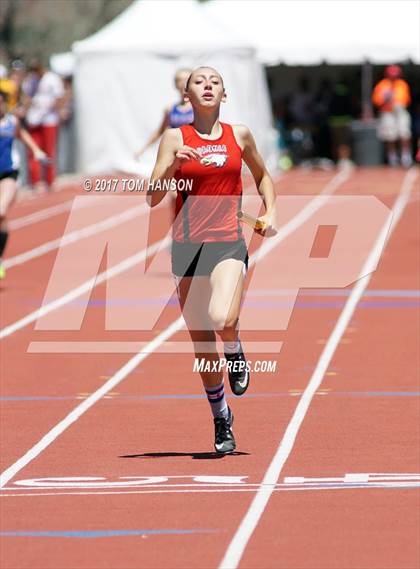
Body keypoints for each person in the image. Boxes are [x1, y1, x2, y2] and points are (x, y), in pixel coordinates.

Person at [147, 67, 276, 454]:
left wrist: (270, 211)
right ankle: (221, 418)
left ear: (225, 94)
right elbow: (152, 196)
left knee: (223, 318)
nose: (207, 85)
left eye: (214, 81)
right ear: (187, 96)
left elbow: (264, 176)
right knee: (202, 342)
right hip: (187, 247)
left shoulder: (240, 135)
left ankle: (235, 351)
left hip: (226, 242)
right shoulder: (174, 137)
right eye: (199, 82)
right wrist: (171, 166)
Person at [0, 91, 47, 279]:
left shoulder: (12, 122)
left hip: (8, 174)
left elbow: (23, 135)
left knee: (1, 211)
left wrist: (37, 151)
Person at [22, 59, 64, 190]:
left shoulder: (52, 79)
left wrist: (54, 109)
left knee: (48, 150)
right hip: (34, 120)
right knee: (34, 150)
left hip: (49, 120)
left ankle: (50, 180)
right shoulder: (30, 81)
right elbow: (27, 98)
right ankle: (34, 181)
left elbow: (59, 98)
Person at [135, 68, 193, 159]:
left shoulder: (200, 107)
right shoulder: (170, 109)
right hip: (176, 153)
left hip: (194, 151)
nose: (183, 83)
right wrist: (143, 149)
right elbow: (160, 131)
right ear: (175, 84)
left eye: (186, 80)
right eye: (179, 80)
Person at [372, 65, 412, 167]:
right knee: (390, 135)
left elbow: (406, 100)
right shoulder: (382, 85)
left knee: (404, 133)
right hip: (387, 111)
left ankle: (405, 157)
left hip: (400, 110)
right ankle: (392, 157)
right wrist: (386, 99)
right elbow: (376, 101)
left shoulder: (402, 84)